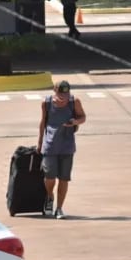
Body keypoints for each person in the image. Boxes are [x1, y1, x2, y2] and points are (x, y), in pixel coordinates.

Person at [37, 80, 86, 219]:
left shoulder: (74, 101)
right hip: (50, 144)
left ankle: (59, 208)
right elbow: (42, 123)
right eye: (60, 93)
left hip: (67, 145)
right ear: (55, 90)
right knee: (49, 177)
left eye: (65, 93)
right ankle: (49, 196)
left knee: (64, 178)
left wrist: (75, 122)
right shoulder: (46, 103)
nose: (63, 96)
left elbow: (83, 117)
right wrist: (40, 142)